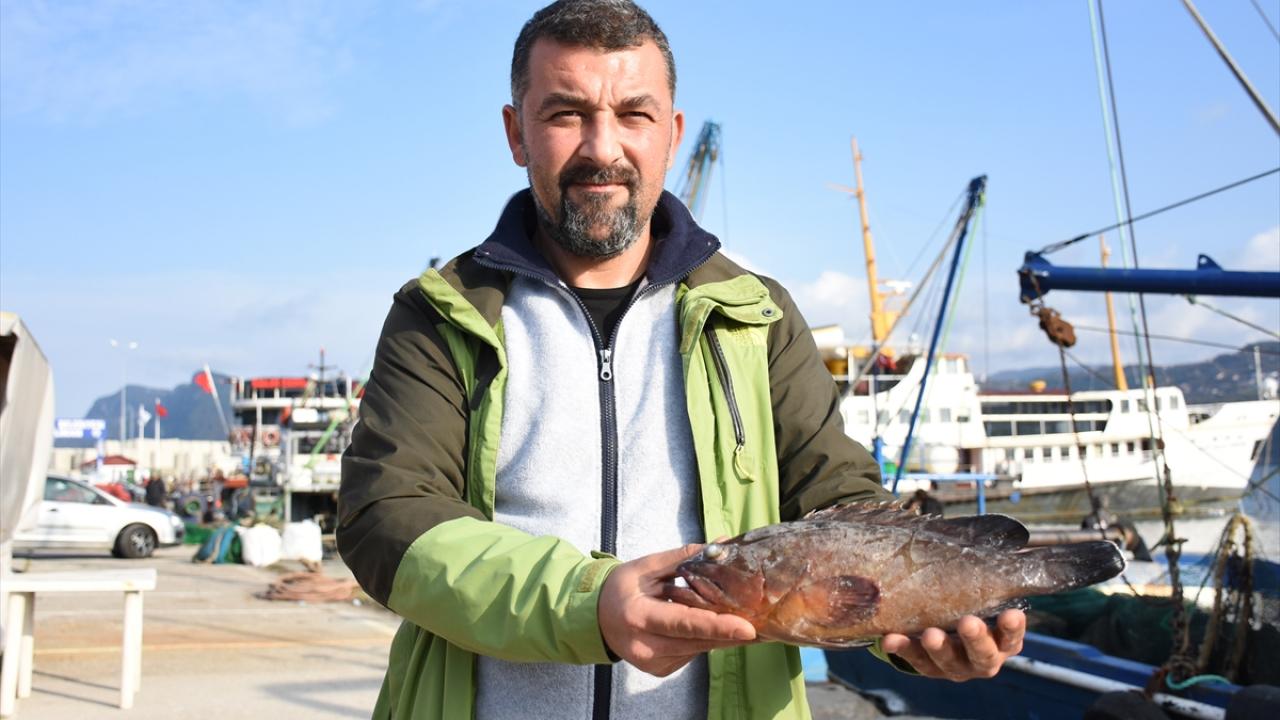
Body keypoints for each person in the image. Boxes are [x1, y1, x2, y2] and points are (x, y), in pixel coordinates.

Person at [337, 2, 1026, 718]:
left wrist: (904, 625)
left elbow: (837, 509)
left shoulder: (756, 316)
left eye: (633, 114)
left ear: (671, 134)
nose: (602, 148)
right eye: (566, 114)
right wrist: (591, 605)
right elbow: (387, 519)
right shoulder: (441, 313)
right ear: (517, 133)